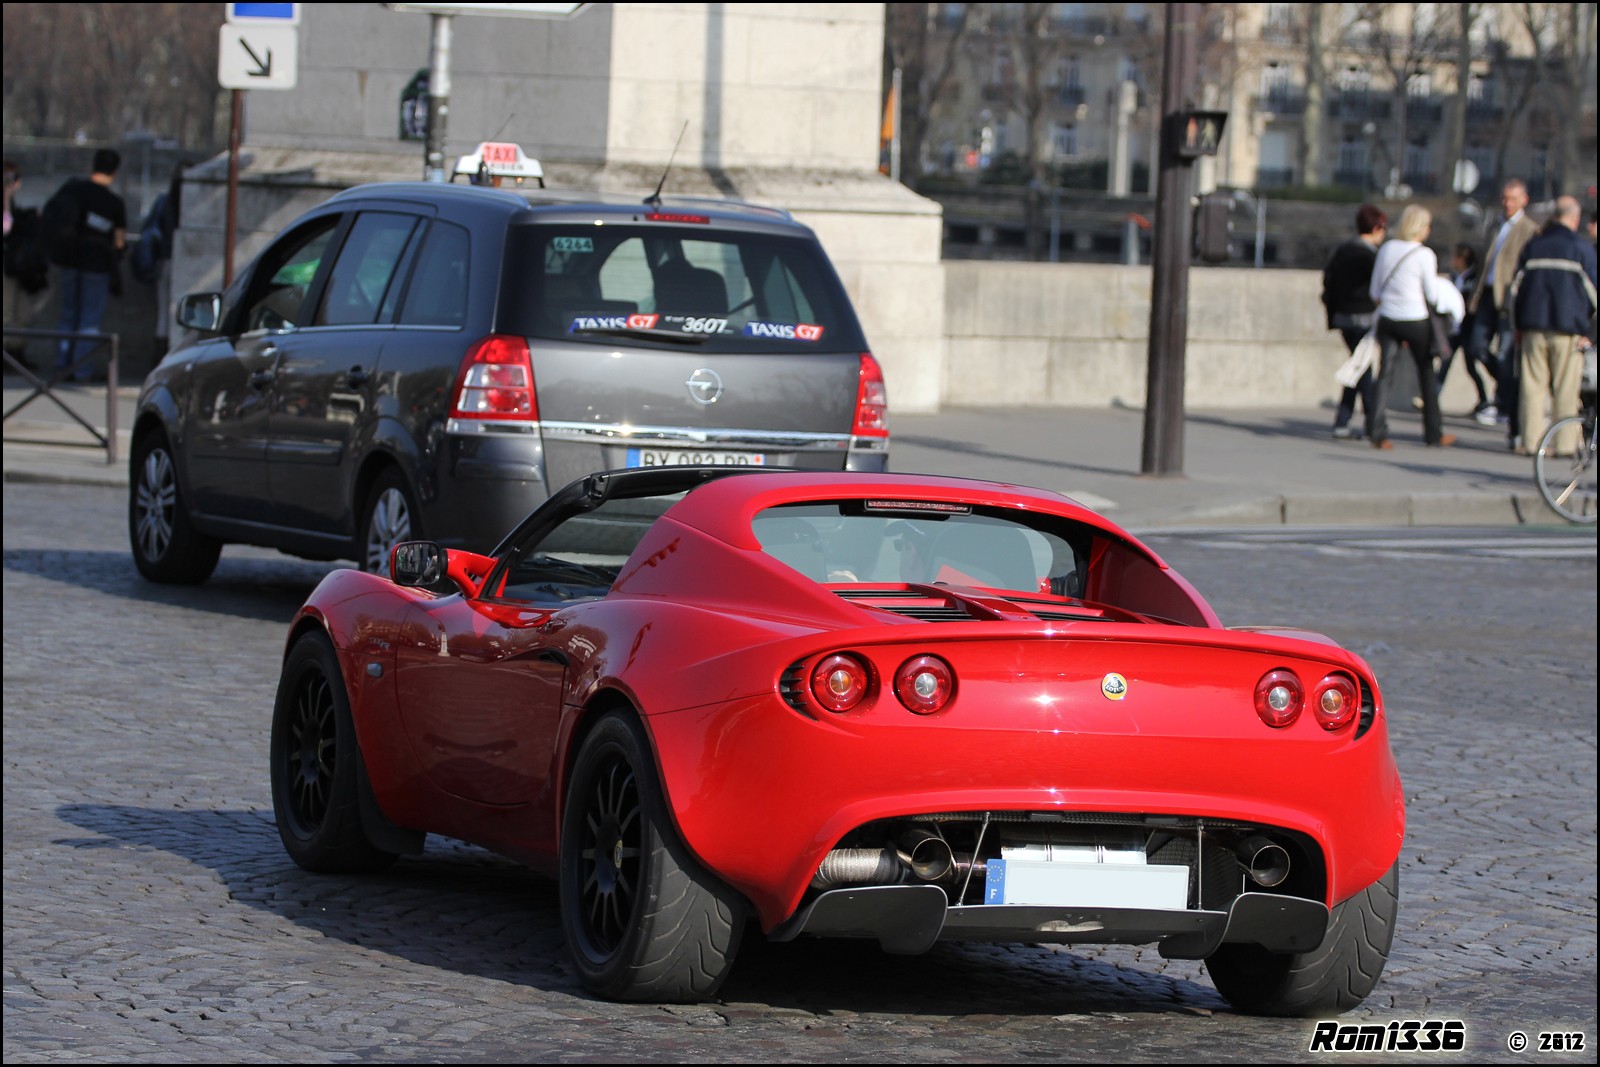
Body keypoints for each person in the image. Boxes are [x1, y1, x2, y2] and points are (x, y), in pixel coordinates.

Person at [1509, 195, 1598, 456]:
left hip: (1533, 327)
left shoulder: (1534, 245)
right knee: (1566, 391)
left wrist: (1517, 326)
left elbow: (1515, 291)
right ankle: (1565, 444)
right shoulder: (1581, 249)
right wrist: (1591, 333)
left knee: (1532, 387)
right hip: (1569, 330)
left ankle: (1532, 442)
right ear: (1575, 218)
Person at [1367, 204, 1455, 450]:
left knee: (1384, 375)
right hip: (1415, 319)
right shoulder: (1424, 255)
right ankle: (1433, 432)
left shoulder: (1387, 249)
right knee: (1426, 374)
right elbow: (1432, 295)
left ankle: (1377, 432)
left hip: (1388, 318)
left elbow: (1375, 290)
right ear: (1421, 228)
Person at [1465, 179, 1541, 436]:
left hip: (1509, 297)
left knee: (1507, 353)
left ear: (1524, 200)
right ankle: (1505, 388)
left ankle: (1504, 400)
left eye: (1512, 199)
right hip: (1486, 294)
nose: (1507, 203)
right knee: (1476, 347)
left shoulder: (1529, 229)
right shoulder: (1495, 226)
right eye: (1505, 198)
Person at [46, 148, 126, 383]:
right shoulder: (114, 203)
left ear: (93, 166)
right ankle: (82, 370)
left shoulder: (74, 191)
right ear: (114, 172)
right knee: (89, 320)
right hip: (97, 265)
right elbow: (119, 242)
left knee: (68, 314)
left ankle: (62, 366)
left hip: (69, 261)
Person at [1321, 204, 1386, 439]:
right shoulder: (1370, 256)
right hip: (1363, 318)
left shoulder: (1343, 250)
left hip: (1342, 317)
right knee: (1362, 370)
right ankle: (1372, 422)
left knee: (1356, 367)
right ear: (1376, 228)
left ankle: (1343, 420)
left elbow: (1328, 281)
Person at [1430, 243, 1490, 411]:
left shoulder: (1474, 280)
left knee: (1470, 366)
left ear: (1462, 259)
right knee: (1445, 363)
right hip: (1453, 330)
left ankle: (1484, 399)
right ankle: (1432, 398)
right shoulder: (1453, 278)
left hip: (1468, 329)